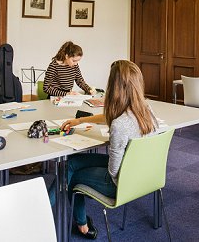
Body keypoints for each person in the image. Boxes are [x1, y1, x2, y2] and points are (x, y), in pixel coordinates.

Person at [59, 59, 163, 239]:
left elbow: (113, 171)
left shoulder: (119, 124)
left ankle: (80, 224)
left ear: (115, 87)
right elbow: (111, 118)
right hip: (144, 175)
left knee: (71, 176)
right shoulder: (146, 109)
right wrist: (80, 121)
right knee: (72, 163)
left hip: (120, 182)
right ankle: (47, 204)